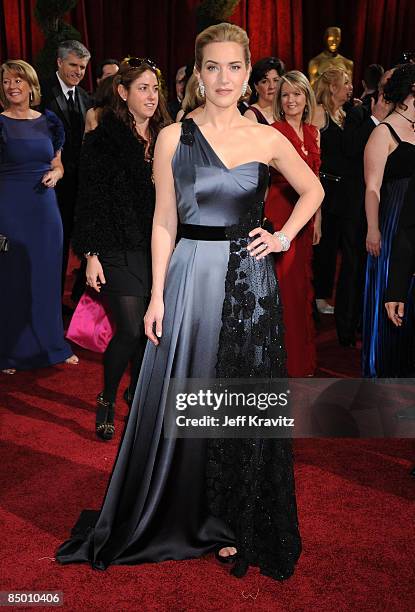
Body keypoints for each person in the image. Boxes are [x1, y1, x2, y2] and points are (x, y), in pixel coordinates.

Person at [57, 23, 323, 580]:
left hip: (249, 284)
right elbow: (163, 221)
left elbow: (314, 189)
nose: (223, 78)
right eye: (211, 67)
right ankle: (179, 508)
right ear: (197, 75)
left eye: (233, 67)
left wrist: (282, 235)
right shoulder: (176, 137)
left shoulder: (267, 136)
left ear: (247, 73)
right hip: (188, 274)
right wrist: (156, 295)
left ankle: (232, 519)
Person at [71, 58, 171, 440]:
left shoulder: (169, 135)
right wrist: (91, 254)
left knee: (151, 330)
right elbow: (89, 200)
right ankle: (108, 397)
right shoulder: (103, 139)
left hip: (158, 245)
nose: (150, 95)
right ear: (123, 92)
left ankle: (138, 394)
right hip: (114, 244)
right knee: (129, 328)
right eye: (142, 88)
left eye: (154, 88)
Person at [0, 60, 78, 373]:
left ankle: (53, 345)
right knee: (12, 278)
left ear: (32, 85)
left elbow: (57, 163)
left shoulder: (49, 121)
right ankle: (9, 350)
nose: (12, 86)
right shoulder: (0, 123)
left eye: (18, 80)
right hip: (8, 208)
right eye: (6, 81)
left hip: (45, 208)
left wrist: (57, 175)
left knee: (46, 277)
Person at [265, 71, 321, 376]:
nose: (291, 100)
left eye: (297, 94)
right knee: (283, 288)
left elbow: (316, 183)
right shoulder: (274, 131)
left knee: (300, 289)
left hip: (306, 216)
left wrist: (318, 221)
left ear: (307, 97)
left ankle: (301, 361)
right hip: (280, 213)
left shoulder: (314, 132)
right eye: (285, 94)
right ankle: (281, 362)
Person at [362, 63, 415, 377]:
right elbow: (372, 186)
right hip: (393, 223)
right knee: (392, 293)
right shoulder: (384, 131)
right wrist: (373, 228)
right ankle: (382, 369)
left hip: (413, 223)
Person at [335, 70, 392, 347]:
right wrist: (375, 120)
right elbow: (350, 148)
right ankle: (346, 328)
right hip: (357, 204)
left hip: (389, 204)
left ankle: (367, 322)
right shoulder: (359, 111)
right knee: (353, 267)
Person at [40, 40, 92, 300]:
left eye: (83, 67)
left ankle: (69, 300)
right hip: (48, 184)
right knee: (51, 247)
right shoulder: (41, 93)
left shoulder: (86, 98)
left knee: (76, 245)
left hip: (79, 188)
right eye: (73, 65)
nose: (79, 71)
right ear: (59, 62)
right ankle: (47, 299)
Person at [312, 68, 353, 316]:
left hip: (342, 189)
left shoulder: (344, 114)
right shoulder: (319, 112)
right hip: (324, 185)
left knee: (334, 242)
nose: (350, 87)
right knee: (323, 245)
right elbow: (312, 152)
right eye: (346, 82)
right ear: (333, 87)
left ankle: (323, 293)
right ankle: (317, 296)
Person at [244, 57, 285, 124]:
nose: (272, 86)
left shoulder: (285, 109)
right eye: (265, 81)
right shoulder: (251, 115)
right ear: (256, 86)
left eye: (276, 80)